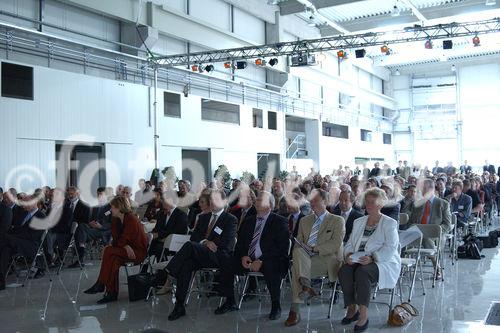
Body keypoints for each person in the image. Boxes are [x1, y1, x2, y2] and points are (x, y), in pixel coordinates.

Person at [163, 189, 237, 321]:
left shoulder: (230, 219)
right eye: (211, 200)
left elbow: (227, 242)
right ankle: (179, 305)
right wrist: (205, 242)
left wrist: (209, 243)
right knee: (186, 265)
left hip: (219, 256)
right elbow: (195, 237)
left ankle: (171, 270)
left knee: (189, 246)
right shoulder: (203, 217)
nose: (213, 203)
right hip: (202, 254)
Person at [215, 191, 289, 320]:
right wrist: (243, 256)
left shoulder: (279, 221)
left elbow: (281, 248)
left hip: (270, 258)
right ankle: (230, 300)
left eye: (260, 200)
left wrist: (261, 260)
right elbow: (240, 244)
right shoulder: (249, 221)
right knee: (226, 261)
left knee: (272, 267)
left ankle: (275, 306)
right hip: (248, 258)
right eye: (257, 199)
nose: (256, 201)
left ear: (270, 205)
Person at [338, 188, 401, 333]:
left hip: (382, 261)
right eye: (367, 202)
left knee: (362, 272)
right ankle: (352, 309)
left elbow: (391, 248)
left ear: (380, 204)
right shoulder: (359, 221)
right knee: (344, 270)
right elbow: (349, 243)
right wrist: (348, 255)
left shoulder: (389, 223)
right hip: (357, 258)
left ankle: (363, 315)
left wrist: (373, 257)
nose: (369, 205)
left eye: (373, 202)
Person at [284, 189, 345, 326]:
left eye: (315, 200)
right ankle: (305, 286)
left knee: (296, 269)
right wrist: (303, 249)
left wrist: (313, 249)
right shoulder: (304, 221)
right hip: (305, 259)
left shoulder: (337, 220)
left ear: (325, 201)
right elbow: (298, 242)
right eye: (310, 200)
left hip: (327, 260)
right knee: (298, 254)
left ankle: (295, 311)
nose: (312, 203)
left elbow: (335, 245)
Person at [83, 196, 148, 303]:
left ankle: (101, 284)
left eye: (112, 207)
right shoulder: (115, 219)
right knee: (114, 260)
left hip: (137, 252)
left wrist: (124, 245)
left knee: (109, 251)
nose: (110, 210)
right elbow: (116, 239)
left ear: (119, 208)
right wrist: (125, 246)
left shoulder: (131, 218)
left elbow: (124, 238)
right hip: (124, 250)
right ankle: (111, 293)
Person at [0, 195, 47, 289]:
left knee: (4, 238)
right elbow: (15, 229)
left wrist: (12, 237)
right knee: (5, 249)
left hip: (30, 245)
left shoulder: (41, 216)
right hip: (16, 242)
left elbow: (32, 236)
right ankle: (1, 281)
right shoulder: (23, 214)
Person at [408, 179, 451, 280]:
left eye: (423, 188)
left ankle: (437, 267)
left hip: (434, 235)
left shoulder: (443, 204)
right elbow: (411, 221)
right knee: (400, 237)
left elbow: (447, 225)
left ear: (431, 189)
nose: (421, 191)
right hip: (417, 233)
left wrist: (436, 231)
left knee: (426, 238)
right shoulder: (418, 204)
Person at [142, 191, 188, 273]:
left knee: (158, 248)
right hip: (160, 241)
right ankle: (144, 271)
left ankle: (161, 274)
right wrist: (151, 234)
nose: (162, 201)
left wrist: (159, 235)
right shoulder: (161, 213)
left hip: (174, 242)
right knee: (146, 243)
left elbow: (177, 231)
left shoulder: (181, 215)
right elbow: (156, 229)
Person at [69, 187, 113, 268]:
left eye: (101, 194)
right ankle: (81, 251)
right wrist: (91, 223)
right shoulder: (95, 206)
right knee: (82, 226)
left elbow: (112, 223)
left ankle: (80, 255)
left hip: (104, 231)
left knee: (80, 232)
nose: (99, 196)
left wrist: (101, 226)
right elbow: (91, 219)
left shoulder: (110, 207)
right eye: (98, 194)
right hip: (93, 229)